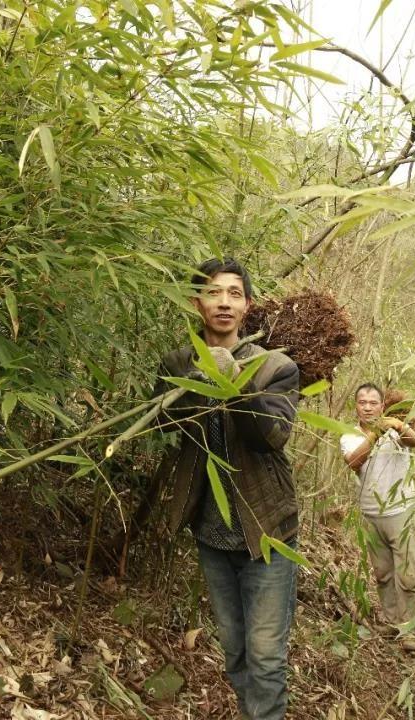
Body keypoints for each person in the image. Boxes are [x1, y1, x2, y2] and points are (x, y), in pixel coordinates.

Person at [152, 257, 301, 720]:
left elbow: (271, 435)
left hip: (267, 531)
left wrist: (232, 385)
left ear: (248, 306)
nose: (224, 302)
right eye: (213, 292)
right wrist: (191, 386)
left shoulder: (276, 367)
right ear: (197, 303)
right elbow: (160, 423)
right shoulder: (178, 361)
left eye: (234, 293)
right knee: (235, 650)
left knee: (266, 656)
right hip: (212, 533)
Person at [338, 383, 415, 645]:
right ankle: (392, 622)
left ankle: (410, 630)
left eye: (373, 402)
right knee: (383, 574)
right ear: (356, 406)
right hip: (371, 515)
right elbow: (354, 461)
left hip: (401, 511)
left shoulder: (396, 430)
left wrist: (396, 424)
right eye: (362, 402)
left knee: (408, 575)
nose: (367, 407)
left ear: (382, 406)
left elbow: (414, 442)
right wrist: (375, 434)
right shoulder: (348, 435)